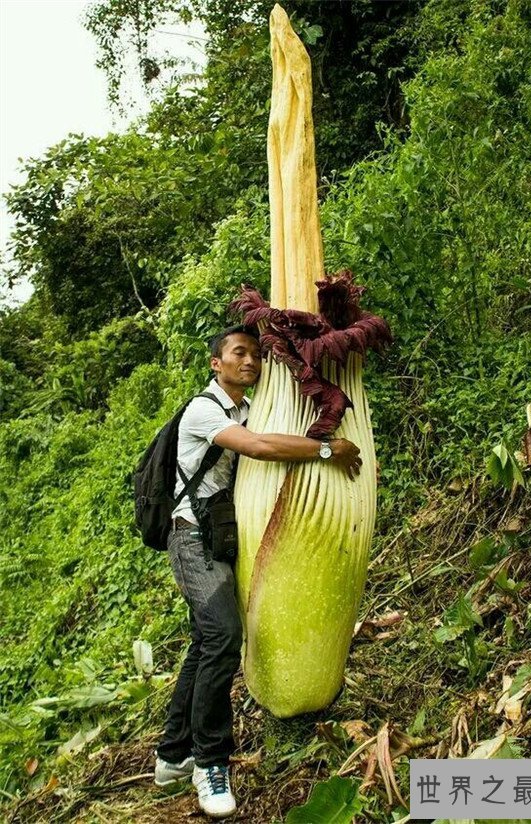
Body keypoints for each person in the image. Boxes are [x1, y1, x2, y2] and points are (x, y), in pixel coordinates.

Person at [154, 324, 361, 818]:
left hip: (223, 537)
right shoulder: (203, 410)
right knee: (224, 636)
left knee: (205, 643)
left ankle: (172, 756)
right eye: (239, 353)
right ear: (216, 363)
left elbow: (272, 438)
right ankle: (210, 763)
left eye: (256, 354)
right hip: (191, 538)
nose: (250, 361)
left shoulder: (249, 408)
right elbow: (261, 448)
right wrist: (328, 450)